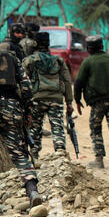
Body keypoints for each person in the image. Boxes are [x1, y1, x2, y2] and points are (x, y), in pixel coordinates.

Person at [0, 44, 42, 208]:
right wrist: (28, 109)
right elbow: (26, 85)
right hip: (11, 107)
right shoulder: (11, 56)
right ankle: (32, 191)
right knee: (19, 154)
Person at [74, 35, 109, 170]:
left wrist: (77, 100)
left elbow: (79, 82)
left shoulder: (87, 62)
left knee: (95, 128)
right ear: (102, 46)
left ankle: (99, 159)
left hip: (97, 101)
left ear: (88, 48)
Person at [22, 32, 73, 161]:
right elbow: (67, 81)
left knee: (35, 127)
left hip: (37, 99)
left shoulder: (29, 60)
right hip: (55, 99)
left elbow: (23, 81)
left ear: (35, 44)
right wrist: (69, 102)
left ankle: (34, 155)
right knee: (57, 126)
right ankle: (60, 153)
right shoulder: (58, 60)